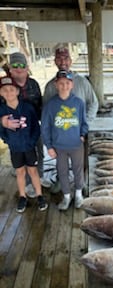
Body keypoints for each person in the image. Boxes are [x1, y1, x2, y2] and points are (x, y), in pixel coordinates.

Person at [43, 46, 99, 193]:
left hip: (79, 131)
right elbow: (46, 112)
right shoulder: (50, 86)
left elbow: (93, 103)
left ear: (71, 60)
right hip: (59, 134)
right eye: (59, 58)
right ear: (55, 61)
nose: (63, 61)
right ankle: (62, 181)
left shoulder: (82, 82)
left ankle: (83, 182)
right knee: (60, 161)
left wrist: (85, 123)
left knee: (82, 160)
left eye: (66, 58)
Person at [0, 52, 51, 198]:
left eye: (21, 65)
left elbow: (40, 106)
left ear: (27, 67)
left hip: (34, 127)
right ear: (10, 68)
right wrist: (2, 122)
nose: (18, 68)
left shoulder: (34, 84)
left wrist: (46, 124)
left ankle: (39, 177)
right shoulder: (4, 86)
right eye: (14, 65)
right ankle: (28, 184)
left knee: (39, 152)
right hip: (14, 132)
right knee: (20, 158)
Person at [41, 70, 88, 210]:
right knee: (62, 172)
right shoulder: (50, 105)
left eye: (67, 83)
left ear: (72, 84)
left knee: (78, 170)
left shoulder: (79, 103)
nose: (64, 86)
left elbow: (84, 123)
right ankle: (66, 196)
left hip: (76, 145)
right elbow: (45, 127)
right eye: (61, 83)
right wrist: (49, 146)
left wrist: (82, 135)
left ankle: (79, 195)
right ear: (56, 84)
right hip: (58, 147)